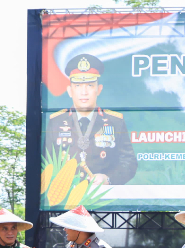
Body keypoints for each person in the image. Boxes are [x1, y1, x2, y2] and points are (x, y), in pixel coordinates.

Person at [45, 53, 137, 185]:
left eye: (89, 85)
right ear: (70, 90)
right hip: (65, 198)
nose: (84, 92)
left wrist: (108, 178)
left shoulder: (115, 121)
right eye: (78, 86)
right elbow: (46, 161)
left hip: (102, 196)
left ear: (99, 89)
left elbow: (129, 162)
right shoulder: (56, 121)